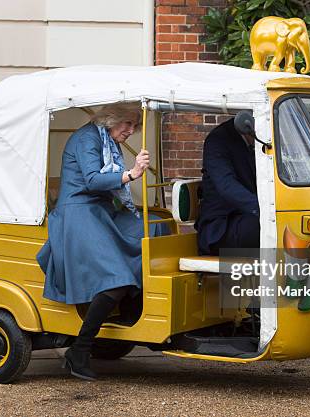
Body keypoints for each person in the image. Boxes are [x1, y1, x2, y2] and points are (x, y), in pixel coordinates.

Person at [37, 103, 167, 381]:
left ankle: (132, 311)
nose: (131, 131)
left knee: (155, 230)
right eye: (128, 125)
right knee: (115, 279)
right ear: (111, 120)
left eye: (135, 126)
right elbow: (94, 180)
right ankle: (79, 350)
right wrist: (132, 174)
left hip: (103, 208)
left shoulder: (107, 138)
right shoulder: (87, 138)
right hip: (78, 210)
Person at [194, 117, 260, 256]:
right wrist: (265, 211)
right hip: (221, 227)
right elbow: (226, 186)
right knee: (266, 227)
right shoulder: (218, 140)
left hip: (245, 217)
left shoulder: (256, 141)